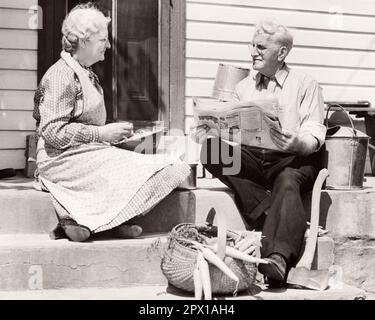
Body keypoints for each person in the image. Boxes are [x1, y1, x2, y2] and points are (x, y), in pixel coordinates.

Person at [33, 3, 190, 242]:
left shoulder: (84, 72)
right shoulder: (61, 75)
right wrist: (101, 135)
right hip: (62, 161)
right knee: (169, 168)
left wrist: (113, 136)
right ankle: (97, 220)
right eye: (102, 40)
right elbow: (53, 132)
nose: (107, 45)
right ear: (83, 41)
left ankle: (107, 221)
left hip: (89, 154)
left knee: (172, 168)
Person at [194, 19, 326, 287]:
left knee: (288, 181)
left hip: (293, 158)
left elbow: (314, 131)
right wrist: (213, 126)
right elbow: (232, 128)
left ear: (281, 53)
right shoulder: (244, 87)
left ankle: (277, 257)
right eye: (252, 46)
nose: (253, 52)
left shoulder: (305, 83)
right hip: (257, 158)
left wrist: (298, 143)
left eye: (261, 47)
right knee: (212, 152)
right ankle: (267, 211)